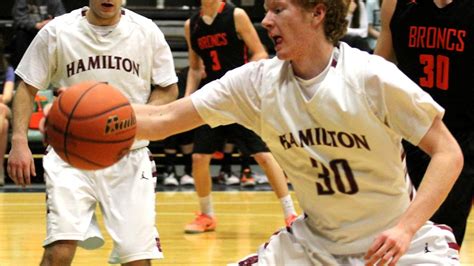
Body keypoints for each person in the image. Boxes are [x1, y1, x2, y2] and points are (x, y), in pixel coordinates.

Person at [132, 0, 464, 264]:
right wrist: (85, 119)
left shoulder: (371, 77)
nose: (265, 21)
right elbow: (163, 119)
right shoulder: (255, 84)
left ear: (317, 13)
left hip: (397, 248)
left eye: (277, 9)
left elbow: (448, 153)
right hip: (311, 248)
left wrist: (405, 229)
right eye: (265, 11)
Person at [7, 0, 178, 265]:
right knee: (59, 251)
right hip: (70, 156)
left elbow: (168, 88)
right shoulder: (57, 31)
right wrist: (19, 141)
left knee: (137, 258)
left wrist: (139, 117)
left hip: (129, 155)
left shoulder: (146, 31)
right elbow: (27, 87)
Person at [182, 0, 297, 234]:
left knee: (263, 155)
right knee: (199, 158)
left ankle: (290, 214)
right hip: (212, 98)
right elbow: (195, 68)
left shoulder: (236, 15)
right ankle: (207, 215)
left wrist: (241, 80)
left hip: (239, 97)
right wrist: (187, 99)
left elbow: (260, 52)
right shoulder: (191, 25)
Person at [375, 0, 474, 247]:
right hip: (407, 137)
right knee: (389, 240)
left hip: (461, 142)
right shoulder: (395, 3)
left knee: (441, 243)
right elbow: (377, 70)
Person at [11, 0, 66, 68]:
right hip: (29, 33)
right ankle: (21, 69)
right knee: (20, 34)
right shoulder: (22, 1)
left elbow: (63, 19)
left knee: (62, 34)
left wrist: (51, 23)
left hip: (49, 33)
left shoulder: (55, 1)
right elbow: (18, 20)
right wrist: (36, 25)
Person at [0, 37, 14, 186]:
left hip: (2, 109)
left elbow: (7, 97)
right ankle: (0, 170)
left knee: (2, 109)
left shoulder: (7, 70)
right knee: (3, 125)